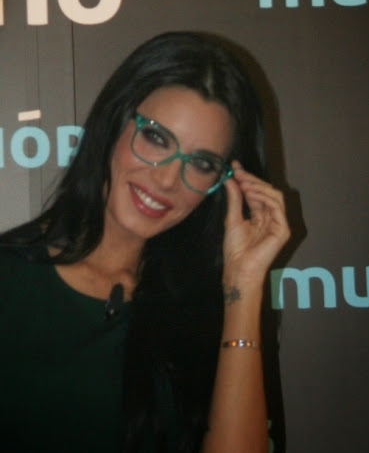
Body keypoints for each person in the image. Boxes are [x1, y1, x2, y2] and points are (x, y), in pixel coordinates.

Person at [0, 31, 290, 452]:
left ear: (224, 184)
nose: (168, 179)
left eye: (201, 163)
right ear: (114, 122)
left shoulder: (214, 308)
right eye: (156, 138)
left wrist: (242, 288)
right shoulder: (11, 281)